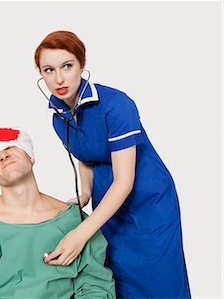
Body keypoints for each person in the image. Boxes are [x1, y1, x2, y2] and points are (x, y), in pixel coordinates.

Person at [34, 30, 191, 298]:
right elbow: (84, 157)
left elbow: (125, 180)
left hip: (146, 200)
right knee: (118, 277)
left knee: (159, 281)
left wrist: (81, 233)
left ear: (81, 65)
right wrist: (85, 193)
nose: (58, 78)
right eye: (49, 70)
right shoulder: (58, 117)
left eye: (67, 66)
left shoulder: (116, 104)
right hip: (106, 201)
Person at [0, 127, 116, 299]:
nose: (3, 155)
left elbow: (95, 285)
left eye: (10, 147)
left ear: (31, 157)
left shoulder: (73, 222)